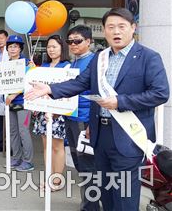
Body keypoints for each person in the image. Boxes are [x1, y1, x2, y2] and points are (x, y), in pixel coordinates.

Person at [26, 8, 170, 210]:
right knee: (107, 192)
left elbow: (160, 93)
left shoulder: (148, 57)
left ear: (133, 28)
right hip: (100, 135)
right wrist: (50, 88)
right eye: (111, 27)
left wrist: (120, 102)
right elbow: (80, 82)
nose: (116, 32)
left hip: (129, 137)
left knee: (125, 197)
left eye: (122, 26)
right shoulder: (100, 58)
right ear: (104, 30)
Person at [63, 25, 100, 211]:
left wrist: (92, 123)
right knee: (79, 163)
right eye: (70, 41)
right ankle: (89, 202)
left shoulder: (95, 62)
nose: (73, 44)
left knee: (87, 165)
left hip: (85, 119)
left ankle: (90, 206)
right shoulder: (74, 62)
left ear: (88, 41)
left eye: (77, 40)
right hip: (71, 116)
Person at [31, 35, 69, 190]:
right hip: (43, 111)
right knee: (46, 145)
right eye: (49, 47)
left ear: (62, 48)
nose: (51, 50)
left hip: (58, 112)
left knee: (57, 146)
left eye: (54, 46)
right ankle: (48, 177)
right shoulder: (44, 66)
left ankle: (57, 180)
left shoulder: (67, 66)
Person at [5, 35, 34, 172]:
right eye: (10, 46)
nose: (12, 49)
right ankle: (16, 158)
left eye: (15, 46)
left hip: (24, 102)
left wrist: (14, 94)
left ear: (21, 48)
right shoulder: (6, 64)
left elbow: (28, 82)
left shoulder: (27, 63)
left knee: (23, 131)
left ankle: (28, 161)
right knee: (13, 132)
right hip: (9, 102)